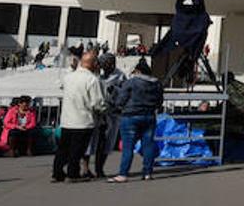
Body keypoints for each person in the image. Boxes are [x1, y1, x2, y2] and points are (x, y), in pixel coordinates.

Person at [54, 51, 106, 182]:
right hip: (83, 120)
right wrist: (104, 110)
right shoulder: (92, 80)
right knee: (77, 150)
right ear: (93, 64)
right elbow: (97, 103)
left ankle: (57, 172)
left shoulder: (68, 77)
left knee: (63, 149)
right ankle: (73, 174)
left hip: (67, 119)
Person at [110, 59, 164, 181]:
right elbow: (160, 101)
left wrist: (117, 104)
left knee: (128, 146)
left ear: (138, 71)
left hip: (130, 116)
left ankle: (123, 174)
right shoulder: (157, 83)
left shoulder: (131, 82)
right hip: (149, 116)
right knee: (148, 145)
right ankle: (147, 173)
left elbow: (121, 100)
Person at [87, 53, 127, 179]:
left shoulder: (119, 75)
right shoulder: (94, 74)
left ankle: (99, 169)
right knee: (90, 141)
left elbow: (125, 92)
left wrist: (115, 90)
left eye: (108, 64)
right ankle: (85, 168)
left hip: (111, 113)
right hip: (95, 112)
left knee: (105, 143)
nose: (105, 66)